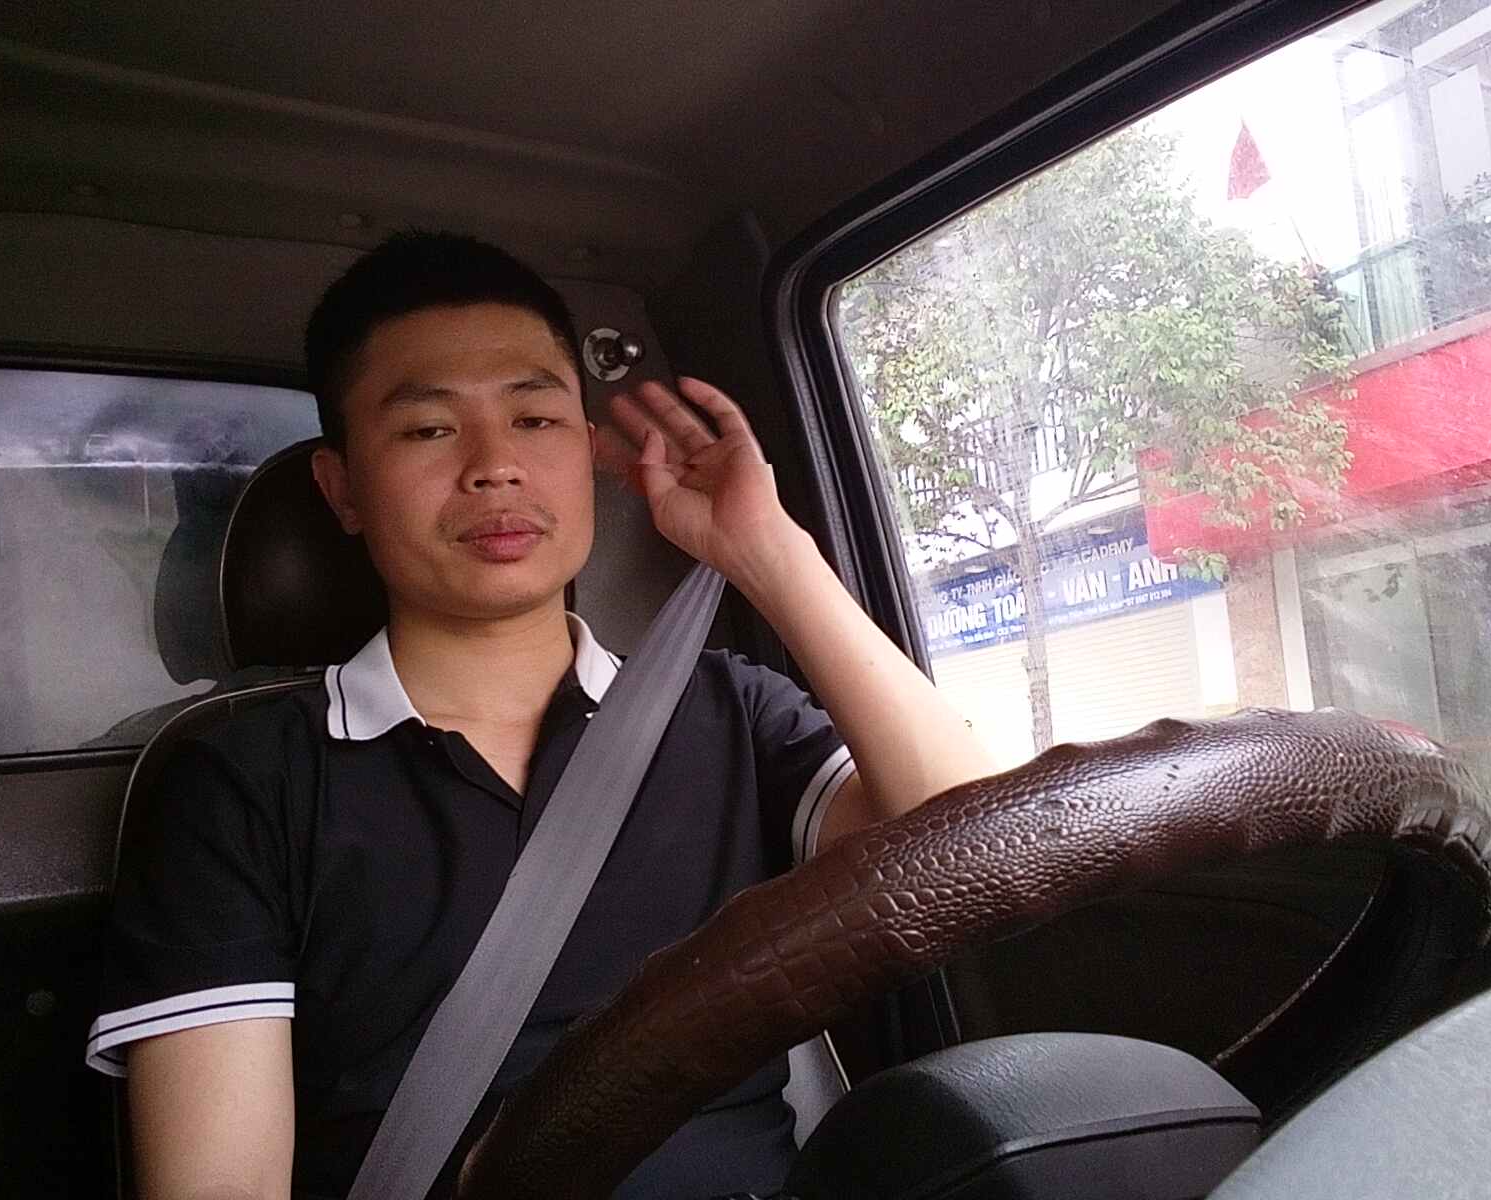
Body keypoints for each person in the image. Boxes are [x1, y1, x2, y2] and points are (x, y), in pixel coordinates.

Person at [87, 231, 995, 1199]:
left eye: (535, 418)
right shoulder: (240, 785)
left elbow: (978, 849)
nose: (495, 467)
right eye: (428, 429)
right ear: (342, 488)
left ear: (590, 449)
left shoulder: (731, 712)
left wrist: (767, 551)